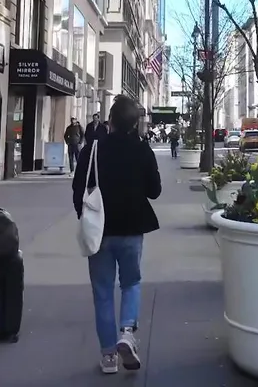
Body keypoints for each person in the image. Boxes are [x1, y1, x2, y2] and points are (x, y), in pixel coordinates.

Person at [73, 96, 162, 374]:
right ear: (135, 124)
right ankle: (127, 331)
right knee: (131, 282)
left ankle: (109, 356)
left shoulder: (93, 150)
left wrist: (84, 217)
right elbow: (155, 191)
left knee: (102, 291)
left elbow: (78, 189)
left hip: (100, 230)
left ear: (109, 121)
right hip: (132, 228)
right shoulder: (142, 149)